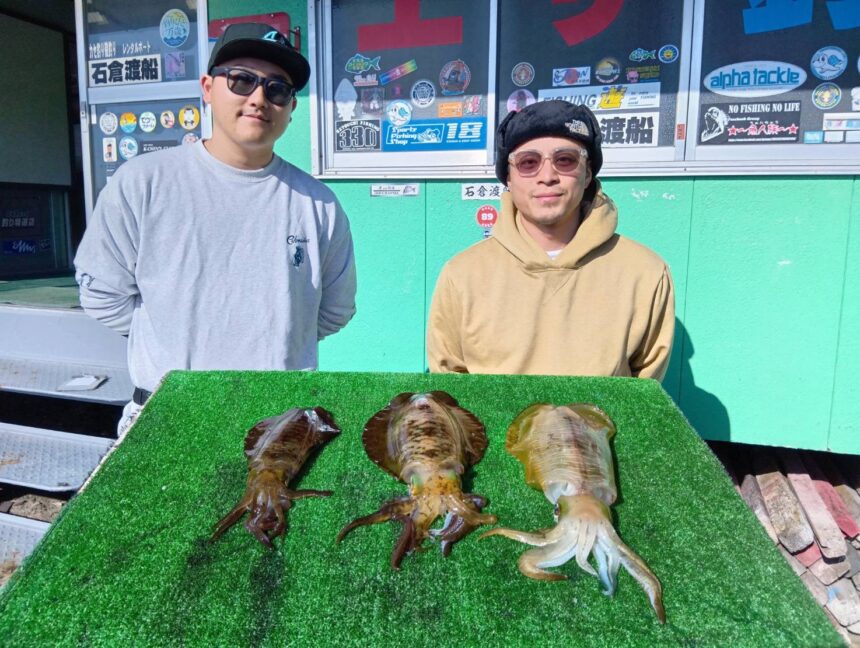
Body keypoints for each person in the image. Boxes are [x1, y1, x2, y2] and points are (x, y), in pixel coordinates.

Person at [75, 23, 357, 434]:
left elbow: (335, 311)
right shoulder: (142, 183)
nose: (259, 98)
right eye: (242, 80)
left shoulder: (319, 204)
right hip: (167, 415)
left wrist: (278, 345)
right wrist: (167, 341)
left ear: (291, 107)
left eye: (278, 89)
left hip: (279, 423)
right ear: (207, 88)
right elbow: (102, 295)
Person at [427, 100, 674, 379]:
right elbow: (449, 386)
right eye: (528, 163)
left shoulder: (644, 273)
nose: (547, 176)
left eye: (565, 160)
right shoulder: (462, 275)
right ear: (508, 178)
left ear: (588, 173)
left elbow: (644, 390)